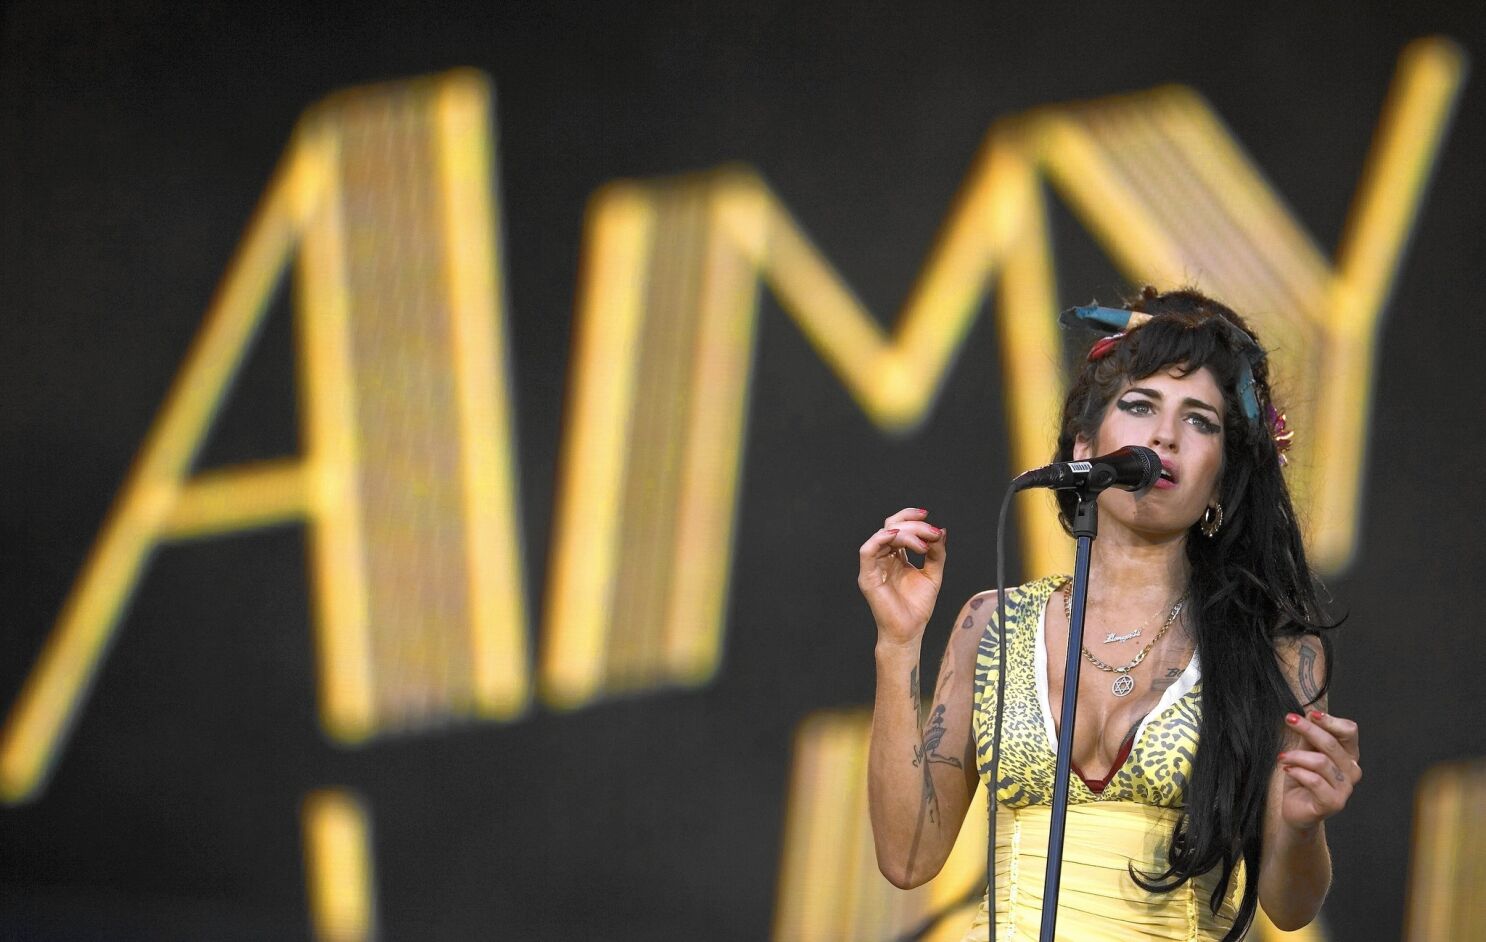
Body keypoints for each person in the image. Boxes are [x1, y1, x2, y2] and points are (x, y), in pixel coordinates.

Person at [859, 287, 1360, 941]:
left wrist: (1302, 826)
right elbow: (906, 857)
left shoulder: (1275, 652)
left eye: (1200, 420)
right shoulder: (992, 624)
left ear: (1220, 482)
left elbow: (1290, 908)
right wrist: (897, 645)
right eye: (1140, 404)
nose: (1164, 435)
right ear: (1083, 445)